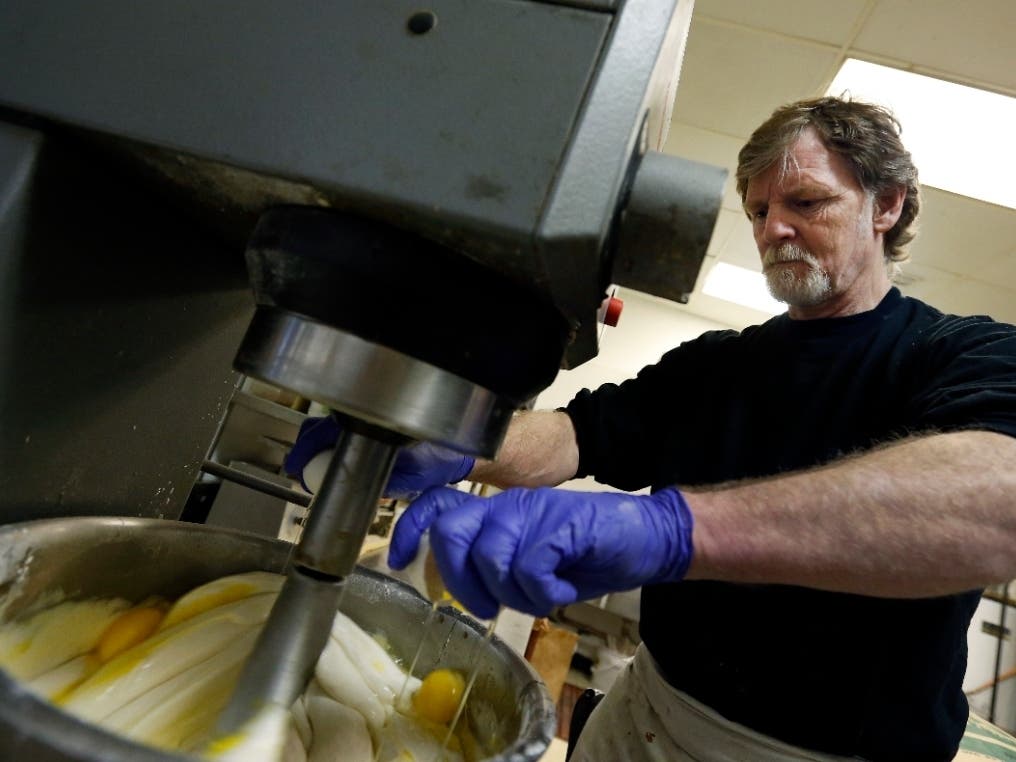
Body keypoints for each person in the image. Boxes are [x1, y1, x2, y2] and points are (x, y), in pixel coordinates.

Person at [285, 96, 1016, 761]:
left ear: (886, 205)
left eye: (805, 201)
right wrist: (442, 436)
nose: (774, 229)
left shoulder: (961, 355)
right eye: (759, 212)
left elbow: (999, 501)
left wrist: (674, 530)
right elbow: (578, 433)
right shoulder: (719, 365)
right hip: (651, 714)